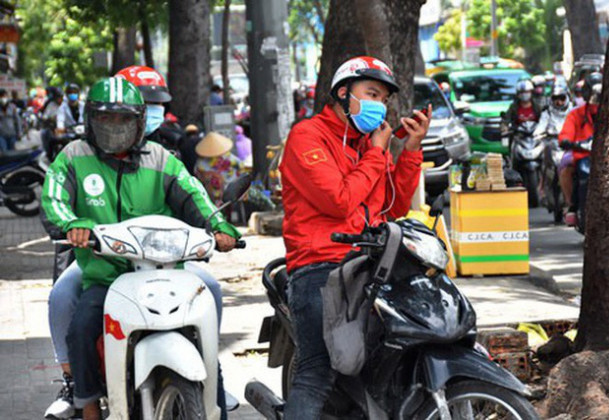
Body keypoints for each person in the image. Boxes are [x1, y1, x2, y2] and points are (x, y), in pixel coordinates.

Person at [41, 78, 240, 420]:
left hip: (165, 271)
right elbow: (54, 198)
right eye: (106, 119)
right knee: (82, 329)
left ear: (139, 121)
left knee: (202, 318)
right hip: (104, 275)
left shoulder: (160, 157)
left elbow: (193, 194)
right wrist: (72, 223)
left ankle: (215, 399)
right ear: (90, 120)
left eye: (124, 120)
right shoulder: (74, 156)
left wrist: (219, 225)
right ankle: (87, 405)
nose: (115, 128)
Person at [279, 56, 430, 419]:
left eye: (384, 99)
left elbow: (393, 206)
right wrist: (378, 153)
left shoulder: (365, 146)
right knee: (316, 373)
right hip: (321, 266)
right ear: (344, 93)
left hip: (372, 263)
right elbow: (338, 199)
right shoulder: (308, 136)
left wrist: (409, 150)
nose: (380, 105)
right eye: (372, 94)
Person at [558, 72, 602, 226]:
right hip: (582, 155)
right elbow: (565, 135)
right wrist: (568, 142)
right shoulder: (576, 114)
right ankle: (572, 205)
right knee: (566, 169)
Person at [194, 131, 244, 205]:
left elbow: (198, 176)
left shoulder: (200, 163)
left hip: (212, 196)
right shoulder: (231, 159)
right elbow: (242, 169)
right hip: (232, 193)